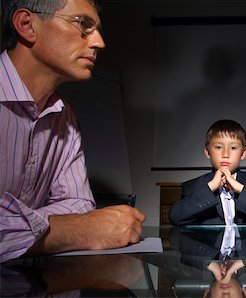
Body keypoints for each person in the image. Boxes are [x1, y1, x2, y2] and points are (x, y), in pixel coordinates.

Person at [0, 0, 146, 263]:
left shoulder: (64, 115)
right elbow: (81, 221)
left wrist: (14, 223)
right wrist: (70, 230)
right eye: (83, 24)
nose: (99, 43)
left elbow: (80, 204)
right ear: (26, 25)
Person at [169, 119, 246, 225]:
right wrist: (211, 187)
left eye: (233, 148)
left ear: (243, 153)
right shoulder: (193, 186)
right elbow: (175, 217)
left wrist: (240, 188)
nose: (225, 154)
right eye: (218, 147)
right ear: (207, 152)